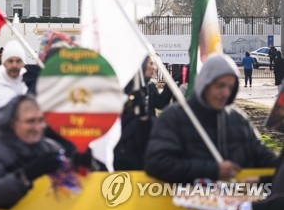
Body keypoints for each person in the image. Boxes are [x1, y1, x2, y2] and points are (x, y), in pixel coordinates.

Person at [144, 54, 277, 183]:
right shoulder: (174, 117)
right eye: (220, 85)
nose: (225, 93)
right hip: (184, 203)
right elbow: (156, 163)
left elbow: (265, 158)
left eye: (230, 87)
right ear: (205, 84)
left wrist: (265, 178)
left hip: (233, 202)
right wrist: (213, 170)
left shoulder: (239, 120)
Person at [0, 94, 63, 209]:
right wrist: (26, 176)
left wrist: (82, 165)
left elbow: (73, 184)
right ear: (12, 123)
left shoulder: (51, 148)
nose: (37, 127)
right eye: (30, 121)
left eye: (41, 120)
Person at [113, 56, 173, 170]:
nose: (154, 68)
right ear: (142, 65)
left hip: (147, 134)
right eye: (151, 64)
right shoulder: (129, 87)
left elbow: (160, 103)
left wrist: (170, 86)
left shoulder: (150, 86)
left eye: (155, 64)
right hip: (129, 141)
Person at [0, 40, 27, 113]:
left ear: (23, 64)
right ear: (4, 63)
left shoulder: (30, 84)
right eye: (10, 61)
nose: (14, 65)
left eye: (18, 61)